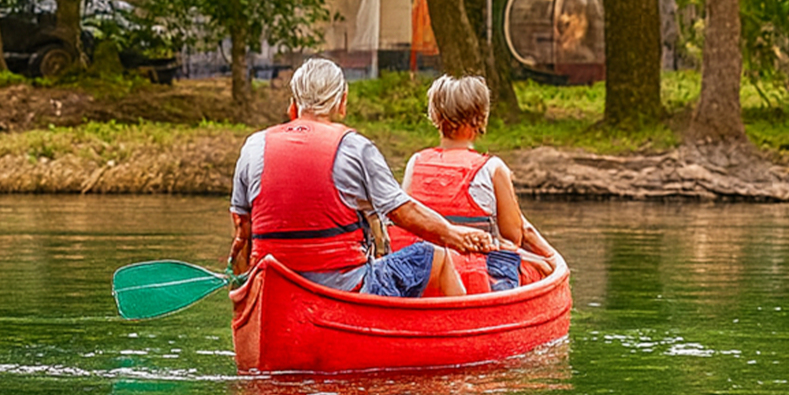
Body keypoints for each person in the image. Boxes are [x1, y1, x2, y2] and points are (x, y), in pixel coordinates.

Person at [230, 58, 502, 297]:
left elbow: (242, 234)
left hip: (272, 285)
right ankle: (458, 338)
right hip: (345, 289)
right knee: (436, 256)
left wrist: (241, 288)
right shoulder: (355, 148)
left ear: (293, 105)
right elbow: (403, 212)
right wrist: (454, 236)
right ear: (342, 102)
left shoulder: (253, 147)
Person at [391, 75, 560, 292]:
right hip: (476, 278)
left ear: (435, 115)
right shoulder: (493, 168)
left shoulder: (416, 162)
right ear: (481, 118)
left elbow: (407, 222)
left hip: (424, 272)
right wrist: (552, 260)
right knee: (537, 268)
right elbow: (515, 236)